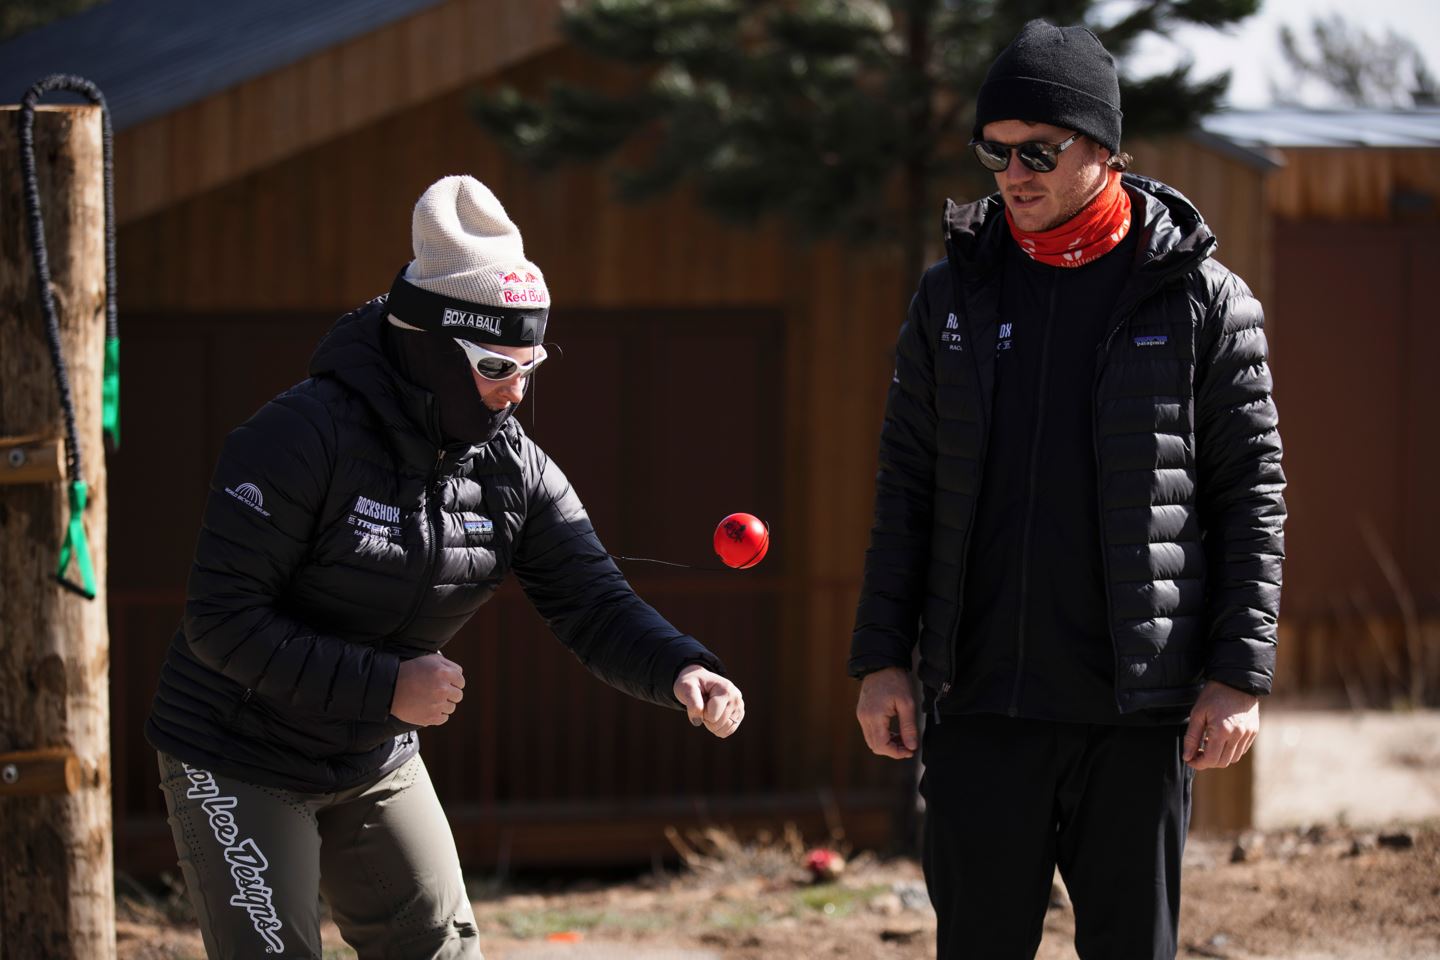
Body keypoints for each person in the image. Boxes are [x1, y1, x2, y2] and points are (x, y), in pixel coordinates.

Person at [146, 175, 746, 959]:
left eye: (530, 367)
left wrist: (680, 669)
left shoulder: (514, 468)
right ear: (430, 347)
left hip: (371, 756)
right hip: (235, 752)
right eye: (496, 367)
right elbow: (222, 622)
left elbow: (592, 601)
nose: (515, 394)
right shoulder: (297, 437)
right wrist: (388, 686)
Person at [850, 20, 1286, 960]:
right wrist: (882, 656)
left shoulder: (1202, 299)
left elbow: (1252, 494)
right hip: (982, 711)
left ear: (1106, 150)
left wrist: (1237, 674)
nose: (1014, 173)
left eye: (1039, 150)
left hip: (1137, 717)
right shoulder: (950, 296)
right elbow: (907, 488)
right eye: (994, 151)